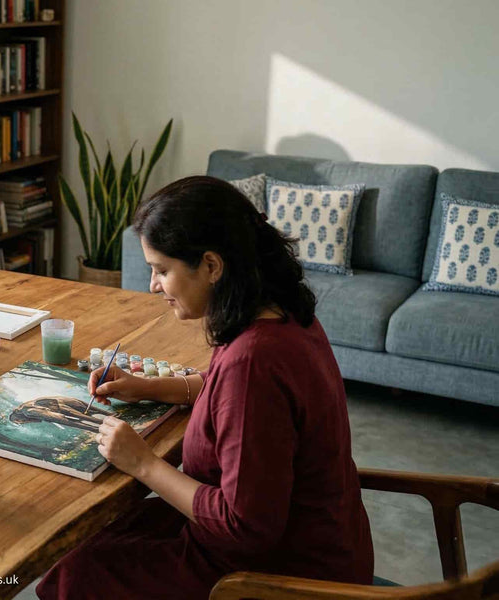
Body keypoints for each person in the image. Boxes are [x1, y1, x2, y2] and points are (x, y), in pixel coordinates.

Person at [37, 176, 373, 599]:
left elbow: (244, 528)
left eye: (162, 270)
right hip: (321, 541)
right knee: (88, 547)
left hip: (281, 577)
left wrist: (144, 464)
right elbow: (228, 396)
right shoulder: (281, 313)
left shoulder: (254, 361)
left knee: (77, 575)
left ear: (212, 266)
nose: (153, 286)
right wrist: (148, 387)